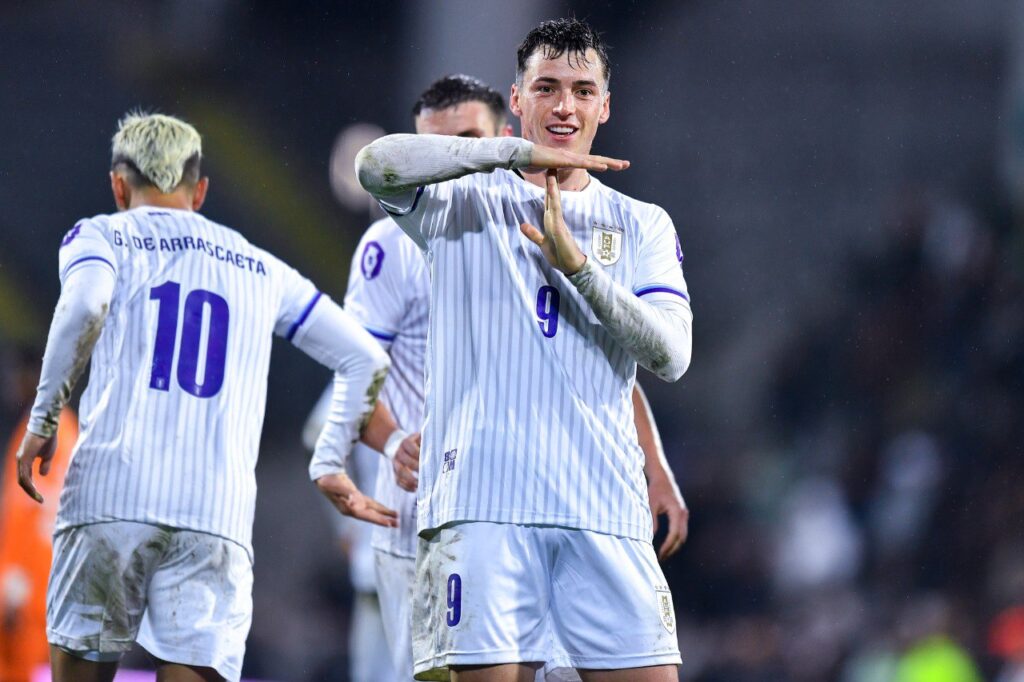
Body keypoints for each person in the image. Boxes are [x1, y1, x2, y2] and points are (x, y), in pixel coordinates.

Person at [356, 19, 692, 682]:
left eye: (581, 89)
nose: (564, 105)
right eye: (546, 87)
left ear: (604, 105)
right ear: (517, 101)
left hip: (604, 511)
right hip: (484, 513)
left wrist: (583, 271)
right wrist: (514, 159)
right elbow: (376, 166)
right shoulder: (460, 201)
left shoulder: (642, 223)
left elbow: (671, 355)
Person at [14, 112, 396, 682]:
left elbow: (86, 304)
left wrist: (44, 416)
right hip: (213, 514)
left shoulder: (101, 234)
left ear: (119, 185)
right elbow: (365, 357)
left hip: (111, 496)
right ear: (200, 191)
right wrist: (330, 456)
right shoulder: (262, 268)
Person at [0, 347, 77, 682]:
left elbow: (42, 513)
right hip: (28, 586)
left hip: (30, 590)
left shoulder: (51, 433)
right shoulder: (39, 427)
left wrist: (19, 582)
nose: (11, 383)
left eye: (19, 374)